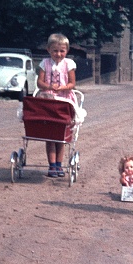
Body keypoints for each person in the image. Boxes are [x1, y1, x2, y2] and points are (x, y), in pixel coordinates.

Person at [37, 33, 77, 177]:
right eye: (55, 50)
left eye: (62, 51)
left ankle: (59, 165)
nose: (58, 54)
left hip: (63, 100)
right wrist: (48, 86)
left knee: (60, 136)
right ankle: (52, 165)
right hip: (49, 99)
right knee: (50, 136)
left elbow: (72, 83)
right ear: (48, 50)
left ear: (66, 51)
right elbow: (39, 82)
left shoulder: (69, 64)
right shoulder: (44, 63)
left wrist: (63, 87)